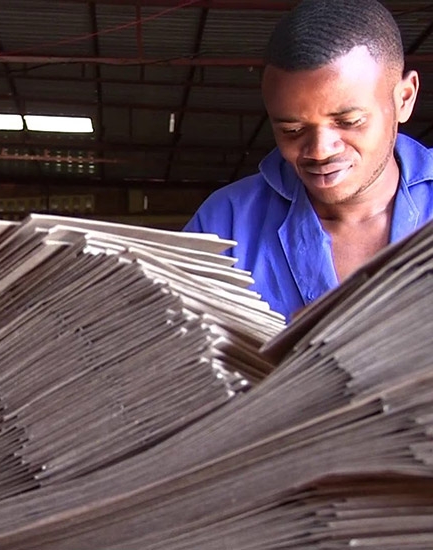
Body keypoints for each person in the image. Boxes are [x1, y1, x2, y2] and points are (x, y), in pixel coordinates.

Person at [184, 0, 433, 322]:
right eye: (292, 130)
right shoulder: (225, 223)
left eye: (349, 121)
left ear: (404, 98)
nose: (320, 150)